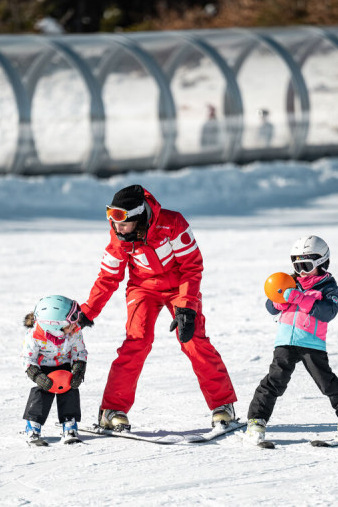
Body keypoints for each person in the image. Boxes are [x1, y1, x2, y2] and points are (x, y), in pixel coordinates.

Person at [77, 184, 237, 431]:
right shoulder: (119, 235)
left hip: (179, 287)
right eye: (111, 216)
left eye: (121, 219)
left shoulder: (172, 224)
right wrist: (88, 311)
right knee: (137, 341)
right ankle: (113, 410)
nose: (115, 226)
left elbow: (191, 267)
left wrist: (186, 307)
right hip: (143, 288)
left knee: (193, 340)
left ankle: (223, 405)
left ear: (138, 216)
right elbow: (108, 277)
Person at [245, 235, 338, 445]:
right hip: (285, 341)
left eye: (306, 265)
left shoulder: (328, 287)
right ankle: (256, 421)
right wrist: (279, 303)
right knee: (274, 381)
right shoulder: (289, 282)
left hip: (311, 343)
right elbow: (270, 304)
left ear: (321, 262)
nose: (300, 271)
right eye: (297, 265)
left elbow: (328, 312)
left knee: (326, 382)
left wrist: (302, 299)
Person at [21, 295, 88, 445]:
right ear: (55, 326)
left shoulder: (74, 332)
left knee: (70, 390)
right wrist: (37, 376)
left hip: (64, 367)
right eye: (71, 323)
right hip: (42, 370)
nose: (76, 324)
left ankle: (69, 424)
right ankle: (33, 426)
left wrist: (78, 370)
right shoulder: (34, 336)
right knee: (41, 393)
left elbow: (80, 352)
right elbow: (28, 359)